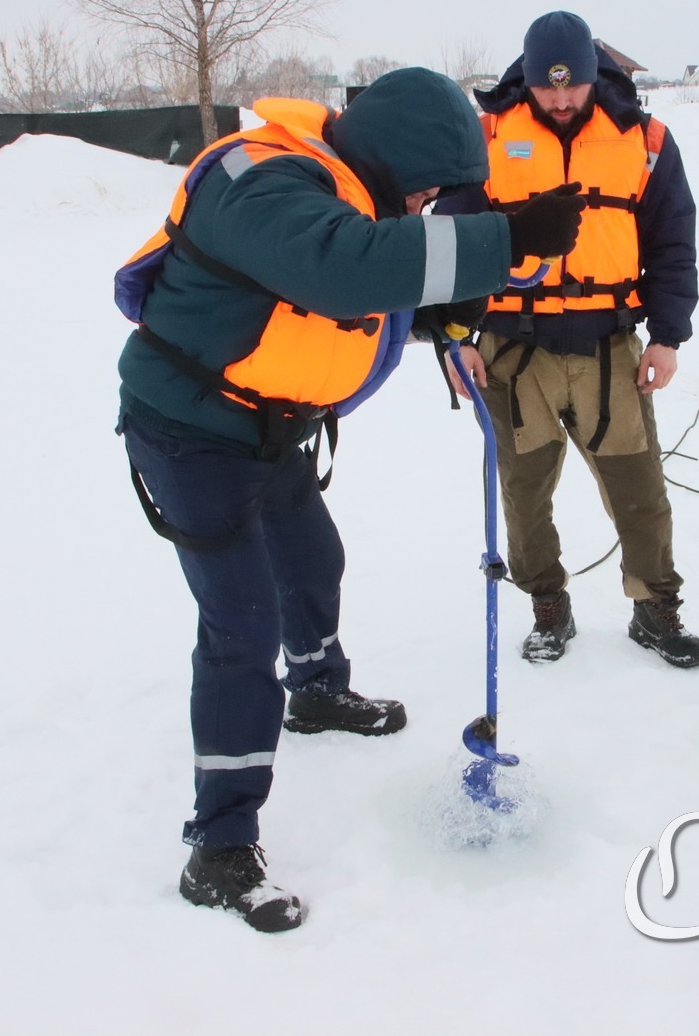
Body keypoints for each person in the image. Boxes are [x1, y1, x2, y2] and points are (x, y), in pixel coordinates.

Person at [113, 68, 584, 931]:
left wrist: (451, 316)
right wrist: (505, 236)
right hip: (189, 430)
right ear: (388, 157)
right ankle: (219, 844)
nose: (428, 201)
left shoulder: (358, 193)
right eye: (424, 186)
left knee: (312, 559)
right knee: (240, 622)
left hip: (268, 426)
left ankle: (318, 689)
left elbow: (386, 284)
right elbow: (340, 268)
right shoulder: (255, 176)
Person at [438, 11, 699, 670]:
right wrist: (453, 337)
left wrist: (668, 334)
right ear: (526, 80)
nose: (561, 100)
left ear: (596, 75)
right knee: (525, 492)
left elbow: (675, 241)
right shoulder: (485, 137)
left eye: (574, 86)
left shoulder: (645, 139)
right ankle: (547, 606)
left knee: (639, 488)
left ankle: (654, 608)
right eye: (548, 87)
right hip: (512, 347)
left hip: (608, 347)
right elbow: (448, 245)